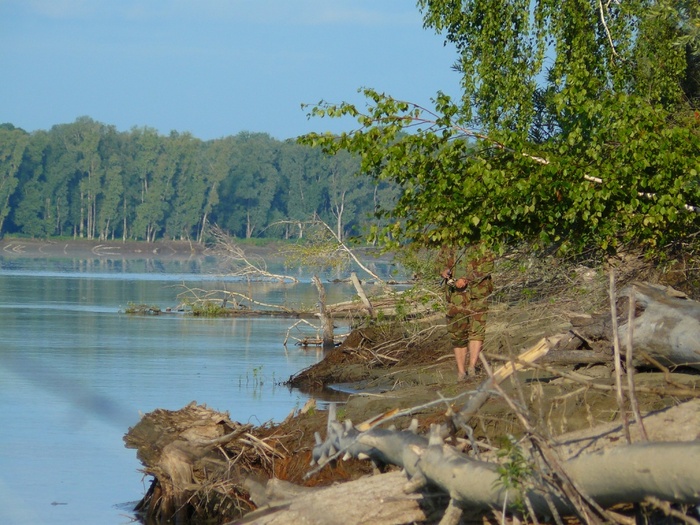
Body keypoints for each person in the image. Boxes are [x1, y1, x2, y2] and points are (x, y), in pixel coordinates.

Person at [438, 245, 494, 381]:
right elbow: (438, 263)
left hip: (477, 294)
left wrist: (467, 279)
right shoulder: (449, 244)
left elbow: (488, 265)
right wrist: (443, 271)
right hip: (455, 297)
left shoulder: (482, 243)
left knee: (477, 330)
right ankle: (461, 372)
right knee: (457, 334)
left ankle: (472, 367)